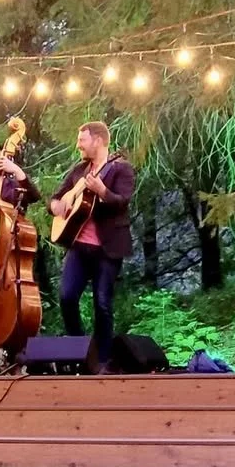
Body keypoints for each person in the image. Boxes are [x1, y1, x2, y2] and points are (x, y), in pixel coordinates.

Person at [49, 121, 133, 366]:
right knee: (66, 297)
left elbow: (122, 202)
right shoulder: (78, 171)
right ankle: (82, 352)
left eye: (82, 140)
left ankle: (103, 361)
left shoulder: (121, 169)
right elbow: (55, 199)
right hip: (78, 247)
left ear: (97, 140)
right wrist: (57, 206)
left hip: (107, 249)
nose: (78, 145)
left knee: (102, 303)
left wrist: (102, 191)